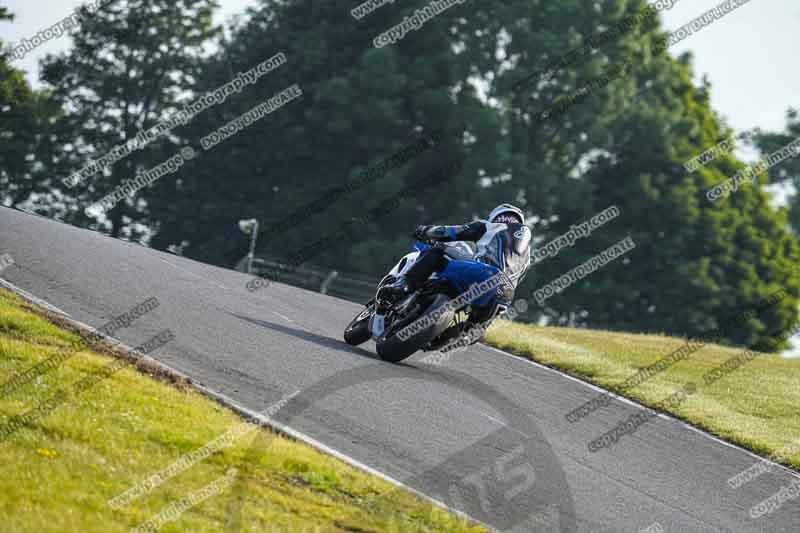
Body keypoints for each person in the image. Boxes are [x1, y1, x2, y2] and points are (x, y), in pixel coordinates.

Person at [379, 204, 532, 348]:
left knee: (437, 252)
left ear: (496, 217)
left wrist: (425, 231)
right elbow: (519, 278)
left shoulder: (490, 226)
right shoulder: (528, 257)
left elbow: (451, 232)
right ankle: (458, 334)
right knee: (474, 330)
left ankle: (404, 286)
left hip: (483, 273)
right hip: (505, 294)